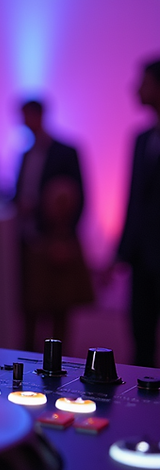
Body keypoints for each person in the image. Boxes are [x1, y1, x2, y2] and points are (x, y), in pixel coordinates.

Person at [13, 99, 94, 352]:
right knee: (30, 307)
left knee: (60, 306)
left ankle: (59, 362)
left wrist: (67, 237)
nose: (25, 122)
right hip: (30, 238)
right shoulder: (25, 154)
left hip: (56, 239)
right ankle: (26, 360)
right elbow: (18, 193)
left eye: (28, 116)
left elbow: (80, 195)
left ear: (39, 116)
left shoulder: (66, 151)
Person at [115, 58, 160, 367]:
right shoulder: (141, 138)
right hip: (143, 258)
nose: (136, 88)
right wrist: (120, 253)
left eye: (144, 82)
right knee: (140, 338)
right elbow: (133, 202)